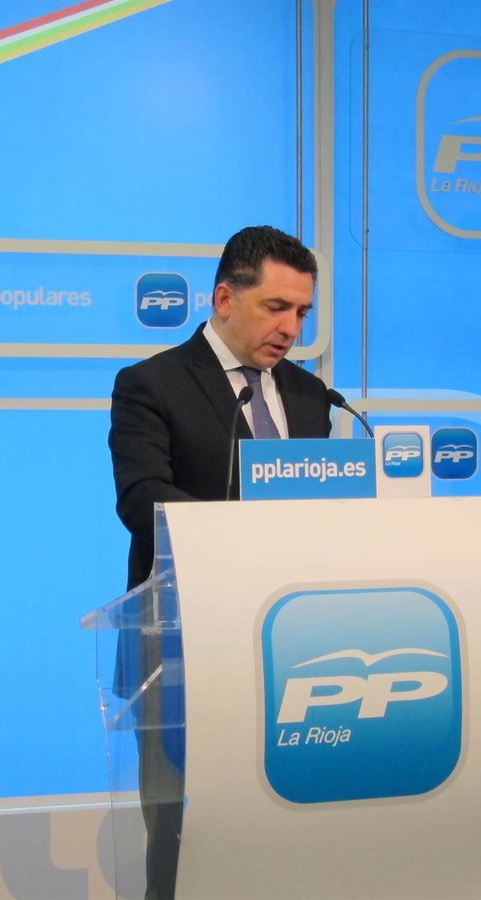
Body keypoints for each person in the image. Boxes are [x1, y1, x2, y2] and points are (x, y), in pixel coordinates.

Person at [107, 225, 333, 899]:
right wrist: (240, 540)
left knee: (283, 831)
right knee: (183, 838)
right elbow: (142, 498)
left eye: (303, 312)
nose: (292, 328)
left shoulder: (309, 395)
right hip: (181, 644)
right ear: (225, 299)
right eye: (277, 307)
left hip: (289, 647)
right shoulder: (151, 384)